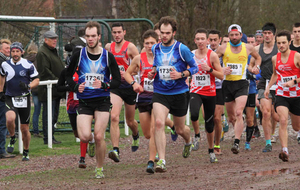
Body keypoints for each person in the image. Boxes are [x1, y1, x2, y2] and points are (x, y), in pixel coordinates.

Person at [66, 21, 121, 178]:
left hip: (102, 101)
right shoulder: (79, 55)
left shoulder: (107, 56)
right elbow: (67, 76)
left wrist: (104, 84)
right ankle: (89, 142)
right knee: (84, 136)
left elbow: (117, 80)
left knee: (99, 135)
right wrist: (76, 87)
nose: (90, 39)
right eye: (87, 36)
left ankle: (99, 168)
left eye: (93, 36)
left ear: (99, 37)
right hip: (84, 102)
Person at [147, 16, 199, 172]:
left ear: (174, 33)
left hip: (179, 93)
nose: (164, 36)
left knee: (180, 129)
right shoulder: (155, 48)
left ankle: (188, 141)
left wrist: (182, 74)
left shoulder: (181, 49)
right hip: (160, 92)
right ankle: (162, 160)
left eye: (167, 33)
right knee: (158, 123)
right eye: (162, 33)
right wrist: (153, 73)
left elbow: (195, 68)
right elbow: (156, 65)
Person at [216, 24, 261, 154]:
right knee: (231, 117)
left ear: (241, 35)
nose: (234, 37)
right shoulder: (223, 48)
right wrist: (221, 69)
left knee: (239, 112)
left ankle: (236, 142)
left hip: (242, 83)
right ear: (229, 36)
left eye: (237, 35)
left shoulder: (248, 48)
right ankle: (235, 129)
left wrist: (255, 67)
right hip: (228, 84)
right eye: (232, 35)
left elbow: (258, 58)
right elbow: (211, 61)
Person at [124, 29, 162, 173]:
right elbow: (127, 74)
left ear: (157, 42)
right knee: (147, 133)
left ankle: (151, 161)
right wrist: (134, 84)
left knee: (154, 129)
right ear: (143, 44)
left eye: (152, 42)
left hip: (159, 97)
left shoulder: (163, 57)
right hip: (144, 97)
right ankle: (163, 136)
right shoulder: (139, 58)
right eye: (147, 43)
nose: (149, 45)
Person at [105, 22, 140, 162]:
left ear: (124, 32)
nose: (117, 35)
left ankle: (136, 135)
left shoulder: (130, 47)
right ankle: (115, 149)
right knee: (113, 116)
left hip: (129, 87)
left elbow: (139, 66)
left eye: (119, 32)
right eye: (114, 32)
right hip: (116, 87)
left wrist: (126, 72)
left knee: (130, 121)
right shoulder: (108, 47)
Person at [264, 30, 300, 162]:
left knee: (296, 126)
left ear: (289, 42)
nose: (281, 45)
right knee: (283, 120)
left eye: (284, 42)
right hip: (281, 94)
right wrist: (268, 88)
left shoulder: (297, 56)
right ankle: (284, 150)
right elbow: (275, 74)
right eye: (278, 43)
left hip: (297, 95)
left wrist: (294, 81)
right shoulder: (275, 58)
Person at [0, 42, 39, 161]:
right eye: (13, 51)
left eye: (17, 51)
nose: (15, 54)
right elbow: (2, 76)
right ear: (10, 52)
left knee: (24, 128)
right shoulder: (4, 64)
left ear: (22, 52)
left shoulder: (28, 64)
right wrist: (1, 91)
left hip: (24, 98)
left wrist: (28, 86)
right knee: (10, 118)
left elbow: (36, 80)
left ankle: (26, 151)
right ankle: (12, 137)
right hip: (10, 97)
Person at [190, 28, 223, 162]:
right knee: (193, 114)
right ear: (195, 41)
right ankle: (197, 135)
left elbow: (221, 76)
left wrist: (209, 69)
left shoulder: (212, 56)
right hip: (195, 91)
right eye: (198, 39)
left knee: (210, 125)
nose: (200, 41)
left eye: (203, 39)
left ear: (207, 40)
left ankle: (211, 151)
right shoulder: (191, 55)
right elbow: (185, 69)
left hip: (209, 92)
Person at [36, 30, 65, 145]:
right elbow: (44, 71)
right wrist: (58, 81)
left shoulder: (52, 51)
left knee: (54, 115)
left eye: (55, 38)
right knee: (49, 114)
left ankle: (51, 136)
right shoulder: (42, 52)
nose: (55, 40)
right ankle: (47, 138)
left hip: (55, 89)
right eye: (52, 38)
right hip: (49, 89)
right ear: (45, 40)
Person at [57, 67, 90, 168]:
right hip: (71, 105)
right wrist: (71, 88)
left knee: (82, 131)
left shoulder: (88, 70)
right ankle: (90, 139)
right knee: (77, 133)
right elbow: (59, 87)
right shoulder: (66, 71)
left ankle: (82, 158)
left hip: (84, 104)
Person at [255, 23, 279, 152]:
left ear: (274, 35)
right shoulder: (258, 49)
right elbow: (251, 64)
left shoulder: (279, 48)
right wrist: (252, 69)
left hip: (279, 83)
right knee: (265, 112)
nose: (267, 35)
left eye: (269, 33)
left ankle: (274, 132)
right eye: (265, 33)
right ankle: (268, 142)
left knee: (276, 116)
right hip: (264, 83)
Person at [207, 29, 228, 154]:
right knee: (206, 117)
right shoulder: (204, 51)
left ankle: (217, 144)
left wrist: (225, 70)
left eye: (215, 40)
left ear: (220, 40)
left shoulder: (224, 52)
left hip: (219, 87)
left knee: (216, 118)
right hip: (205, 87)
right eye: (211, 40)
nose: (213, 42)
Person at [0, 39, 15, 159]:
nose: (9, 51)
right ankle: (1, 150)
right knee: (2, 123)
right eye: (6, 48)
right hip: (2, 94)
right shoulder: (3, 62)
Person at [24, 42, 42, 138]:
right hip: (39, 86)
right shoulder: (38, 59)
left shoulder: (25, 60)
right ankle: (37, 130)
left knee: (29, 110)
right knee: (38, 111)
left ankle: (33, 130)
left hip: (29, 86)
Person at [290, 23, 300, 143]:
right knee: (294, 124)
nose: (297, 34)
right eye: (295, 31)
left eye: (299, 31)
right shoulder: (289, 46)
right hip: (291, 83)